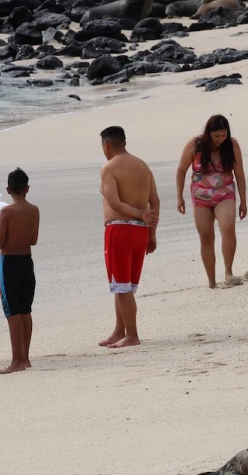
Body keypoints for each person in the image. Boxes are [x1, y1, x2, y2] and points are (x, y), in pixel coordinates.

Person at [97, 126, 160, 349]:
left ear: (106, 145)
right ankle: (119, 330)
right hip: (140, 232)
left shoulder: (109, 167)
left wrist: (138, 214)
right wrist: (151, 231)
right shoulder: (143, 166)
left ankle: (132, 335)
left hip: (120, 230)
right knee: (122, 285)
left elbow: (114, 202)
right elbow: (156, 202)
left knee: (122, 287)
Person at [176, 114, 248, 289]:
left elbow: (239, 173)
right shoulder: (195, 144)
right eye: (217, 136)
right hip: (200, 197)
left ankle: (228, 272)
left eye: (223, 135)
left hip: (225, 193)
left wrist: (243, 201)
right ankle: (211, 281)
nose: (220, 140)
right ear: (209, 133)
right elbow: (181, 170)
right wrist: (179, 197)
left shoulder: (232, 145)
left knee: (227, 226)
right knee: (206, 237)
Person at [0, 168, 40, 375]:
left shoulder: (7, 211)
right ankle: (25, 358)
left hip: (10, 264)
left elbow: (0, 241)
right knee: (26, 310)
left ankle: (16, 360)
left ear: (8, 190)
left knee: (13, 312)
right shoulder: (34, 210)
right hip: (27, 261)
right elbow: (33, 240)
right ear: (27, 189)